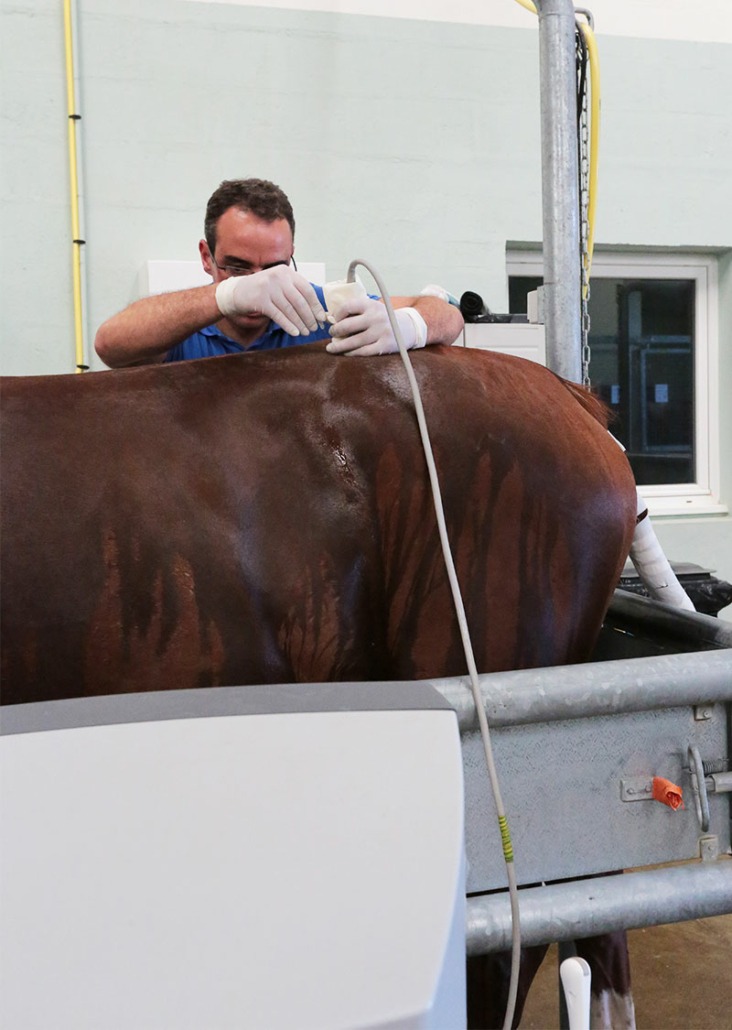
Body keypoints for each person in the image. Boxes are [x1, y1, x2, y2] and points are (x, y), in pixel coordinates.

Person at [94, 178, 464, 367]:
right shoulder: (182, 329)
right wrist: (226, 298)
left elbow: (447, 315)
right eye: (238, 268)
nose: (260, 283)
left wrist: (408, 325)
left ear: (290, 256)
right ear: (207, 256)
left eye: (273, 268)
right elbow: (109, 345)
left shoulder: (319, 312)